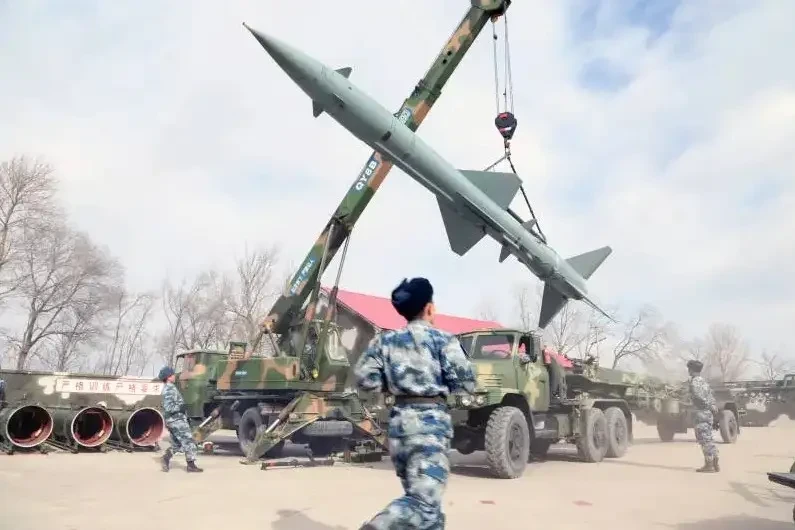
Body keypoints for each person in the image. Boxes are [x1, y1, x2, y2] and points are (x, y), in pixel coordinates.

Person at [355, 277, 476, 530]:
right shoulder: (443, 340)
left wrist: (392, 384)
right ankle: (378, 526)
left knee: (428, 508)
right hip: (429, 428)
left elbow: (365, 378)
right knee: (424, 504)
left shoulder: (384, 341)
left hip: (399, 427)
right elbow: (466, 383)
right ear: (429, 308)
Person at [158, 366, 203, 473]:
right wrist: (181, 407)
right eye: (173, 374)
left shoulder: (170, 387)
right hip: (176, 420)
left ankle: (166, 458)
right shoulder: (169, 389)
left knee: (177, 443)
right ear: (168, 377)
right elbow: (168, 407)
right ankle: (191, 465)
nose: (175, 376)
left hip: (175, 419)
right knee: (189, 440)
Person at [687, 359, 719, 473]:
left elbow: (699, 397)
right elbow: (710, 396)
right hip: (708, 413)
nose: (688, 371)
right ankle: (715, 463)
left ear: (691, 370)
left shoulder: (694, 382)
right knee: (708, 437)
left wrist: (708, 405)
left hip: (701, 412)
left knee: (704, 439)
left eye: (689, 369)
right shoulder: (704, 382)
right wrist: (712, 405)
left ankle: (709, 465)